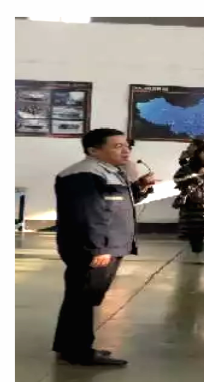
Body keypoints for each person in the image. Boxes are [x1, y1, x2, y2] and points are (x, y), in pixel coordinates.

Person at [52, 128, 157, 367]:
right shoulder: (83, 174)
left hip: (108, 245)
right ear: (93, 150)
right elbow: (87, 214)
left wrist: (140, 186)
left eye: (126, 146)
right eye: (117, 146)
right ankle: (78, 352)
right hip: (95, 247)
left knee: (83, 297)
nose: (126, 150)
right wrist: (98, 248)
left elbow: (118, 203)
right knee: (82, 298)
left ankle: (68, 346)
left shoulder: (109, 172)